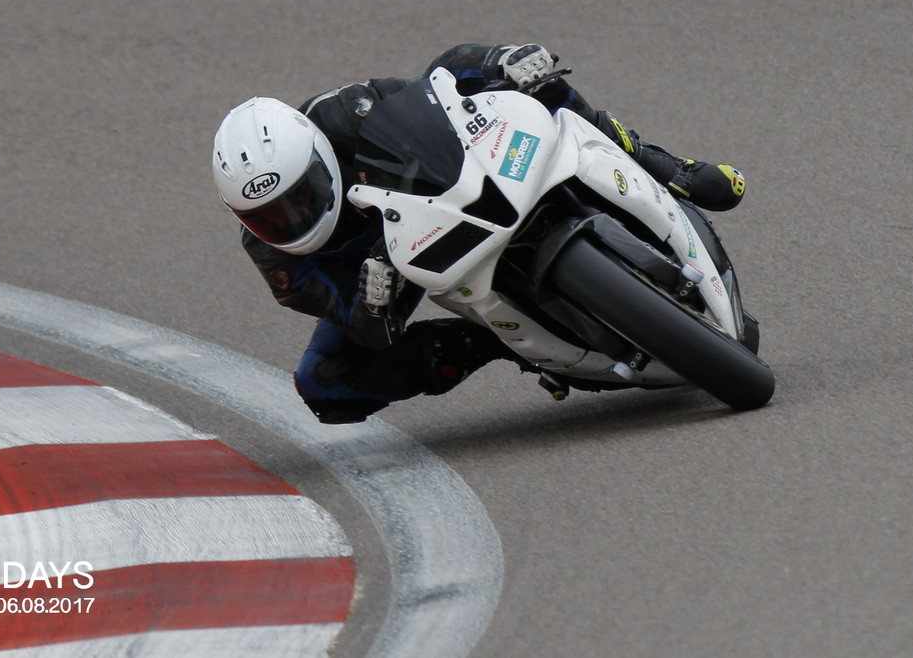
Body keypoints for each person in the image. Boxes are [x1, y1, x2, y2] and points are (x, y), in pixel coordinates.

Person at [210, 43, 747, 425]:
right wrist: (372, 304)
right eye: (270, 215)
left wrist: (498, 62)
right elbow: (359, 325)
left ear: (316, 157)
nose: (294, 217)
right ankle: (496, 341)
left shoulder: (344, 113)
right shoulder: (277, 258)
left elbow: (435, 89)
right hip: (388, 271)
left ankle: (663, 165)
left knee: (533, 83)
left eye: (302, 194)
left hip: (436, 199)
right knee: (323, 384)